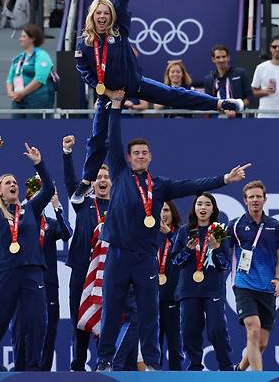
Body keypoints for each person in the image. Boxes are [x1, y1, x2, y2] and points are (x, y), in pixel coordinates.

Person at [94, 90, 250, 371]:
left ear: (150, 157)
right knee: (112, 309)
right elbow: (112, 139)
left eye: (144, 153)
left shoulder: (161, 185)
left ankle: (152, 363)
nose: (140, 156)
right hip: (117, 252)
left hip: (145, 256)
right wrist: (115, 107)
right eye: (136, 153)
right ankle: (104, 360)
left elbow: (191, 184)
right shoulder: (118, 172)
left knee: (149, 312)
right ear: (128, 158)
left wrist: (224, 179)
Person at [72, 0, 243, 203]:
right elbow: (86, 74)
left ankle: (220, 103)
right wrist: (108, 95)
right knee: (99, 138)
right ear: (91, 16)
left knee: (175, 95)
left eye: (106, 13)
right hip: (109, 94)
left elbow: (122, 1)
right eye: (98, 13)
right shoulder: (83, 44)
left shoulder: (119, 30)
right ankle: (86, 182)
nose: (102, 17)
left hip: (135, 82)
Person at [0, 142, 53, 371]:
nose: (13, 184)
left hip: (32, 271)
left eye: (15, 182)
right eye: (8, 182)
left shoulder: (31, 209)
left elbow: (47, 189)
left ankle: (34, 368)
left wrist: (39, 163)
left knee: (37, 321)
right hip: (6, 272)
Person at [62, 134, 111, 371]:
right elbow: (72, 184)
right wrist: (67, 155)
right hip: (83, 268)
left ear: (112, 182)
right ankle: (78, 364)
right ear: (92, 183)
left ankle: (105, 362)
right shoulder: (82, 203)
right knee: (79, 318)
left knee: (109, 316)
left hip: (110, 269)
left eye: (106, 177)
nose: (102, 180)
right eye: (98, 177)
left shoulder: (119, 205)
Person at [11, 183, 72, 371]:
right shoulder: (18, 222)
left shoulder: (51, 224)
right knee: (22, 326)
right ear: (29, 197)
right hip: (25, 281)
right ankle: (21, 369)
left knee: (49, 327)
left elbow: (66, 233)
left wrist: (57, 206)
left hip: (48, 282)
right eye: (35, 192)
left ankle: (42, 371)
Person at [227, 180, 279, 371]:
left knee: (261, 343)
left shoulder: (274, 226)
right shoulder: (235, 225)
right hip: (244, 286)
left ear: (264, 199)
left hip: (266, 289)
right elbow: (219, 251)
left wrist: (278, 280)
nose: (255, 200)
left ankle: (239, 369)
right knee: (252, 329)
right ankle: (257, 377)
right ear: (245, 200)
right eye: (251, 197)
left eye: (258, 197)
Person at [172, 192, 232, 371]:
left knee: (217, 330)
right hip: (189, 289)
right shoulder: (185, 230)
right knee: (189, 331)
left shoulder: (219, 231)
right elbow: (176, 261)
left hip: (213, 289)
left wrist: (217, 248)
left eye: (207, 204)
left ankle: (226, 366)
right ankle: (195, 366)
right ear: (194, 208)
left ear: (213, 209)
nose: (203, 208)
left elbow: (225, 264)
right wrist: (188, 251)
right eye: (199, 204)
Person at [6, 24, 54, 118]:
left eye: (24, 36)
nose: (20, 39)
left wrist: (22, 93)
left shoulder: (42, 56)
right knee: (17, 130)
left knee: (35, 131)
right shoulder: (19, 57)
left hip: (37, 101)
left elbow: (40, 79)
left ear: (33, 38)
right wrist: (11, 93)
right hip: (18, 101)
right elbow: (10, 78)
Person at [156, 201, 183, 370]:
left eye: (166, 210)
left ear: (173, 213)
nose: (162, 214)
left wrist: (171, 237)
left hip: (173, 296)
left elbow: (186, 256)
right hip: (151, 297)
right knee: (153, 345)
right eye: (159, 210)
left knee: (174, 344)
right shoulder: (147, 234)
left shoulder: (181, 234)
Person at [203, 44, 252, 118]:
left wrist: (237, 107)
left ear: (228, 57)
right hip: (216, 119)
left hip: (238, 118)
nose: (221, 60)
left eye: (223, 57)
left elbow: (249, 96)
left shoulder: (240, 73)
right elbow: (208, 101)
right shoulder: (209, 79)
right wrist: (223, 109)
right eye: (218, 57)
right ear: (213, 59)